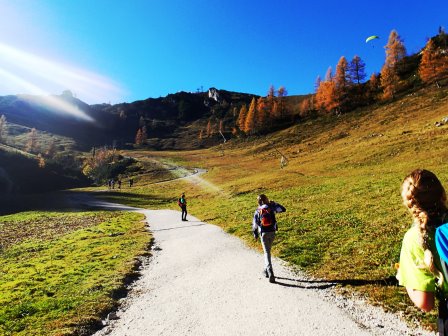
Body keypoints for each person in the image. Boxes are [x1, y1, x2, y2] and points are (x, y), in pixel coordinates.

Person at [397, 169, 448, 313]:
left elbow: (425, 303)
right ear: (442, 194)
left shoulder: (413, 239)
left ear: (409, 204)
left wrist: (405, 277)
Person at [252, 194, 286, 283]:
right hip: (272, 232)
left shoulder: (257, 210)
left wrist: (255, 234)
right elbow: (283, 209)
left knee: (266, 252)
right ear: (266, 199)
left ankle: (270, 271)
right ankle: (266, 270)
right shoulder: (271, 207)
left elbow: (255, 225)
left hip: (263, 233)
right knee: (268, 252)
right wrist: (275, 203)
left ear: (258, 202)